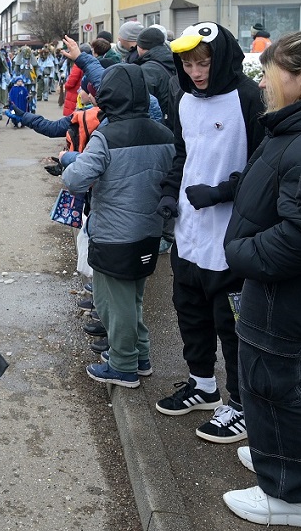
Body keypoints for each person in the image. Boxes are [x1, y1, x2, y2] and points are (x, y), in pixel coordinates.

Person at [155, 22, 266, 443]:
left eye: (203, 62)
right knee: (189, 310)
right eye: (188, 63)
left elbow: (265, 167)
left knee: (231, 323)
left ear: (221, 59)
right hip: (188, 231)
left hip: (231, 236)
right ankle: (202, 385)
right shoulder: (183, 98)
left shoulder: (247, 98)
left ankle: (239, 404)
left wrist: (222, 191)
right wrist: (170, 194)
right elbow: (182, 153)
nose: (196, 71)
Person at [220, 31, 301, 525]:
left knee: (272, 384)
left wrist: (241, 253)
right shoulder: (288, 130)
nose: (265, 83)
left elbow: (297, 235)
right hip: (271, 285)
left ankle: (285, 494)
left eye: (272, 73)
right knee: (270, 384)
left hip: (279, 291)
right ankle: (277, 457)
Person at [59, 63, 175, 388]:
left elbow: (75, 179)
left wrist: (70, 160)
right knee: (133, 299)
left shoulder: (106, 135)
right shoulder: (164, 133)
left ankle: (123, 365)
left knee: (113, 302)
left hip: (113, 234)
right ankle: (140, 356)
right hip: (150, 232)